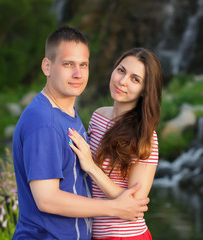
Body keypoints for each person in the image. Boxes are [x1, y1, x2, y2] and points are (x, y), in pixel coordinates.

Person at [12, 27, 149, 240]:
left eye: (83, 65)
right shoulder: (44, 122)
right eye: (68, 64)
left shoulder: (68, 114)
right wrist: (114, 208)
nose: (77, 74)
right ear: (47, 66)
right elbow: (47, 199)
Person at [68, 47, 162, 239]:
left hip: (124, 235)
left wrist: (92, 168)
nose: (122, 81)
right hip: (91, 232)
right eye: (121, 70)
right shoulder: (98, 115)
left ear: (145, 90)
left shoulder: (146, 135)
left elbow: (134, 204)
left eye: (135, 79)